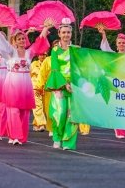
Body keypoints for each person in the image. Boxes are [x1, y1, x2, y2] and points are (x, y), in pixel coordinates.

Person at [0, 26, 50, 145]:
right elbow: (3, 42)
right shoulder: (11, 52)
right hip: (12, 82)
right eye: (19, 39)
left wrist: (45, 28)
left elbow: (40, 40)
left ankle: (21, 137)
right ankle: (14, 136)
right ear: (14, 41)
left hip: (25, 84)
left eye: (23, 39)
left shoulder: (29, 53)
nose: (22, 41)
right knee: (13, 110)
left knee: (24, 112)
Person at [46, 18, 79, 150]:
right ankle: (57, 137)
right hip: (59, 84)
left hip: (73, 86)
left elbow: (79, 68)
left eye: (68, 32)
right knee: (59, 113)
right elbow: (55, 68)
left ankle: (68, 142)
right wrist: (65, 84)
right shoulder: (55, 50)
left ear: (71, 34)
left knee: (72, 114)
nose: (66, 35)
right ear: (59, 34)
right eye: (63, 32)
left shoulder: (75, 50)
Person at [31, 52, 48, 132]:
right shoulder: (34, 64)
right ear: (38, 55)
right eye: (41, 54)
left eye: (44, 55)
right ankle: (41, 124)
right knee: (37, 105)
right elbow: (28, 75)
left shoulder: (48, 63)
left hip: (46, 87)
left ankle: (36, 124)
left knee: (43, 107)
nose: (42, 56)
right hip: (35, 87)